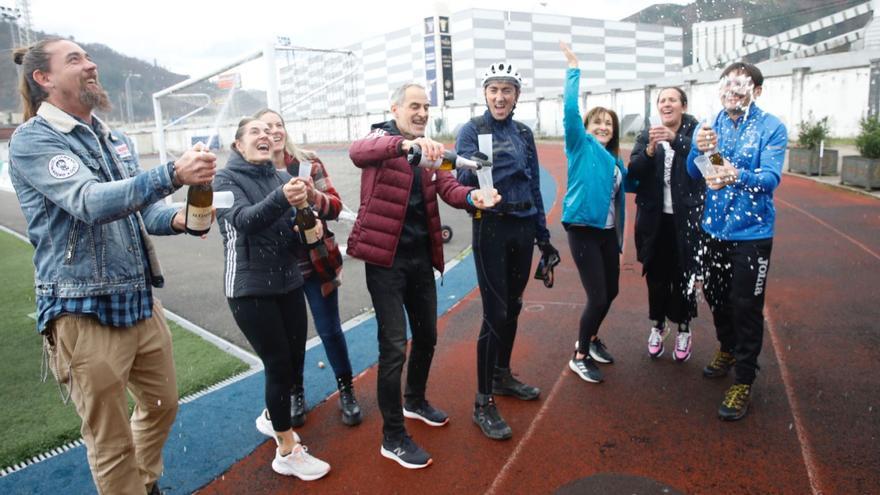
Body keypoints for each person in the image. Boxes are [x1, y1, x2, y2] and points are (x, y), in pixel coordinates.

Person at [8, 38, 216, 494]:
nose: (91, 64)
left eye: (87, 56)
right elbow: (88, 202)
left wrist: (179, 217)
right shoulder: (33, 139)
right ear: (43, 78)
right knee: (110, 438)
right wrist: (171, 175)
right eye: (75, 59)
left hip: (137, 299)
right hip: (81, 308)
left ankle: (141, 483)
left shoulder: (112, 137)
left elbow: (140, 214)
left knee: (163, 404)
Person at [348, 82, 499, 468]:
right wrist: (404, 146)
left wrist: (471, 198)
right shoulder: (381, 139)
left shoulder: (429, 149)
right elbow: (358, 151)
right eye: (414, 106)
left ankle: (414, 400)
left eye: (426, 107)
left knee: (428, 336)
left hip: (420, 258)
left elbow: (447, 184)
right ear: (395, 108)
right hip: (386, 261)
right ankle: (392, 436)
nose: (421, 113)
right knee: (394, 346)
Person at [214, 118, 330, 479]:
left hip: (288, 282)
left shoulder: (281, 178)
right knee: (279, 364)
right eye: (255, 133)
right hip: (250, 288)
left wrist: (308, 227)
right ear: (238, 145)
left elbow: (292, 236)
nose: (265, 137)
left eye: (268, 132)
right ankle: (286, 450)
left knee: (294, 363)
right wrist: (282, 198)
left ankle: (271, 415)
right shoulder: (224, 180)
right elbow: (245, 221)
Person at [456, 61, 557, 441]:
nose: (500, 96)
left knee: (513, 307)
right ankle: (482, 402)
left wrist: (544, 240)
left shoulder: (523, 133)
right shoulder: (472, 130)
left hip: (523, 225)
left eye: (507, 90)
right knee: (495, 312)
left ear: (517, 95)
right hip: (491, 226)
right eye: (494, 90)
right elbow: (459, 179)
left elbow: (532, 184)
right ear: (485, 93)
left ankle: (501, 375)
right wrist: (473, 168)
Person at [686, 62, 786, 421]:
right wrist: (695, 150)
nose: (733, 91)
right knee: (715, 296)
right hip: (714, 231)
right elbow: (695, 172)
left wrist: (736, 175)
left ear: (756, 91)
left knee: (746, 305)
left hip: (752, 236)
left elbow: (771, 178)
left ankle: (744, 378)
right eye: (727, 84)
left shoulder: (771, 127)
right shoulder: (710, 125)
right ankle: (727, 348)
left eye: (741, 85)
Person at [256, 108, 362, 427]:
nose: (273, 131)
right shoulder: (253, 173)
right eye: (266, 127)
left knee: (329, 330)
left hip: (317, 263)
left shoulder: (307, 164)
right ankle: (295, 392)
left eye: (278, 125)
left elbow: (336, 207)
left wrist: (310, 194)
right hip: (278, 270)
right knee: (290, 338)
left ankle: (347, 390)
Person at [558, 42, 627, 385]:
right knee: (597, 295)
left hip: (606, 234)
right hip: (582, 228)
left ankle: (593, 338)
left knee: (611, 292)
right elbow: (570, 110)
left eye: (608, 124)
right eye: (597, 122)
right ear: (587, 126)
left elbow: (625, 194)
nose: (602, 127)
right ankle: (580, 354)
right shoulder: (580, 145)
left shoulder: (616, 162)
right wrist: (574, 68)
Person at [628, 87, 704, 361]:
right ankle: (658, 325)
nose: (667, 104)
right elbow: (634, 171)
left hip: (687, 221)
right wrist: (648, 151)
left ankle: (684, 328)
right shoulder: (648, 134)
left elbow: (708, 164)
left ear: (683, 105)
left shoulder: (698, 132)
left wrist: (677, 140)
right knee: (657, 277)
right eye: (662, 100)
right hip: (654, 220)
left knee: (684, 276)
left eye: (673, 99)